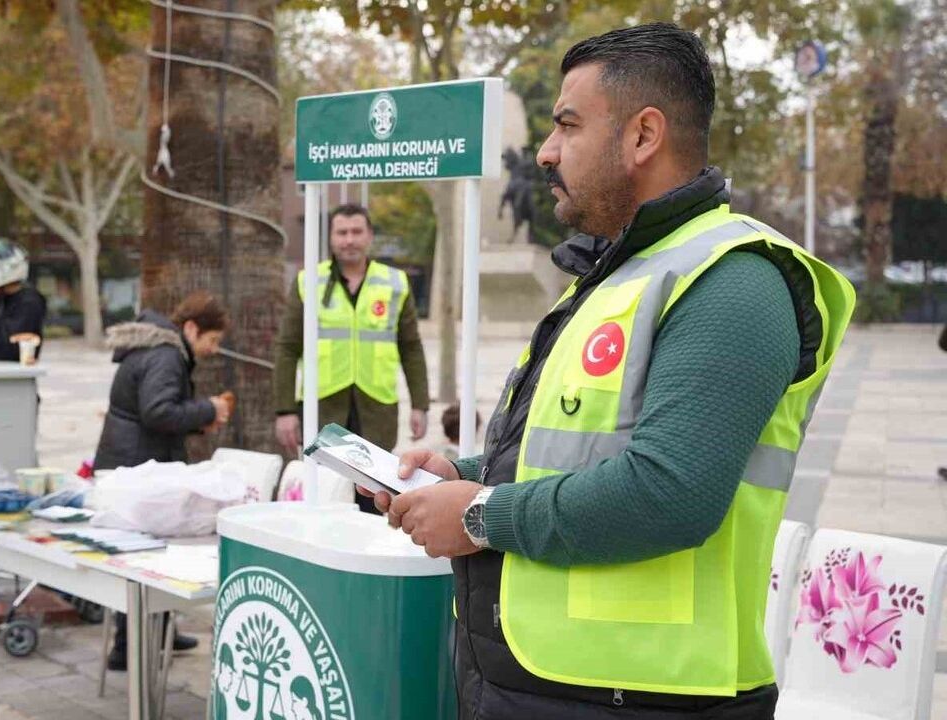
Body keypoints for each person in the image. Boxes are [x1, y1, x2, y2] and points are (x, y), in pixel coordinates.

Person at [366, 24, 855, 719]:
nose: (545, 151)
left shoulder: (733, 282)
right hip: (532, 682)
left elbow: (670, 492)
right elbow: (572, 452)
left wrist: (478, 515)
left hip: (649, 698)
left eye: (567, 125)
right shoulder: (614, 276)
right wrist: (459, 473)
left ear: (643, 136)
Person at [93, 290, 232, 670]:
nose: (213, 350)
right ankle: (131, 646)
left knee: (145, 553)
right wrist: (207, 409)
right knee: (143, 555)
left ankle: (158, 630)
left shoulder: (157, 348)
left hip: (130, 459)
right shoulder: (167, 355)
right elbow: (157, 411)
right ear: (192, 328)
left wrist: (198, 420)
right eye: (212, 340)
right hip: (138, 464)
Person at [272, 203, 430, 513]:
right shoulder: (309, 281)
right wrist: (284, 410)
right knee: (324, 498)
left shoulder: (394, 282)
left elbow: (411, 347)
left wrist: (420, 404)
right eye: (341, 232)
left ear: (369, 236)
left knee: (374, 501)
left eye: (357, 232)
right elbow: (287, 347)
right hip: (323, 405)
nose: (349, 240)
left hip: (377, 407)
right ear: (331, 237)